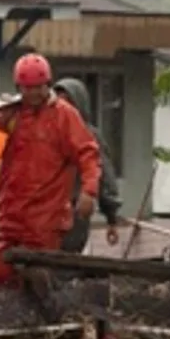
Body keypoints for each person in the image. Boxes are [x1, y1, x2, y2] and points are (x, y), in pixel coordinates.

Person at [0, 53, 101, 290]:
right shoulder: (11, 113)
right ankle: (17, 316)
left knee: (38, 276)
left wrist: (89, 191)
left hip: (45, 217)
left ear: (48, 84)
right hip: (10, 214)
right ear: (19, 87)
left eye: (38, 88)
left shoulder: (64, 115)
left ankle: (48, 318)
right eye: (27, 88)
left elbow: (88, 153)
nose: (33, 94)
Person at [52, 78, 123, 252]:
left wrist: (111, 218)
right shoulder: (45, 133)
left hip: (75, 210)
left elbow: (104, 176)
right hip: (46, 210)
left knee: (66, 263)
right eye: (58, 100)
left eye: (68, 101)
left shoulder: (89, 136)